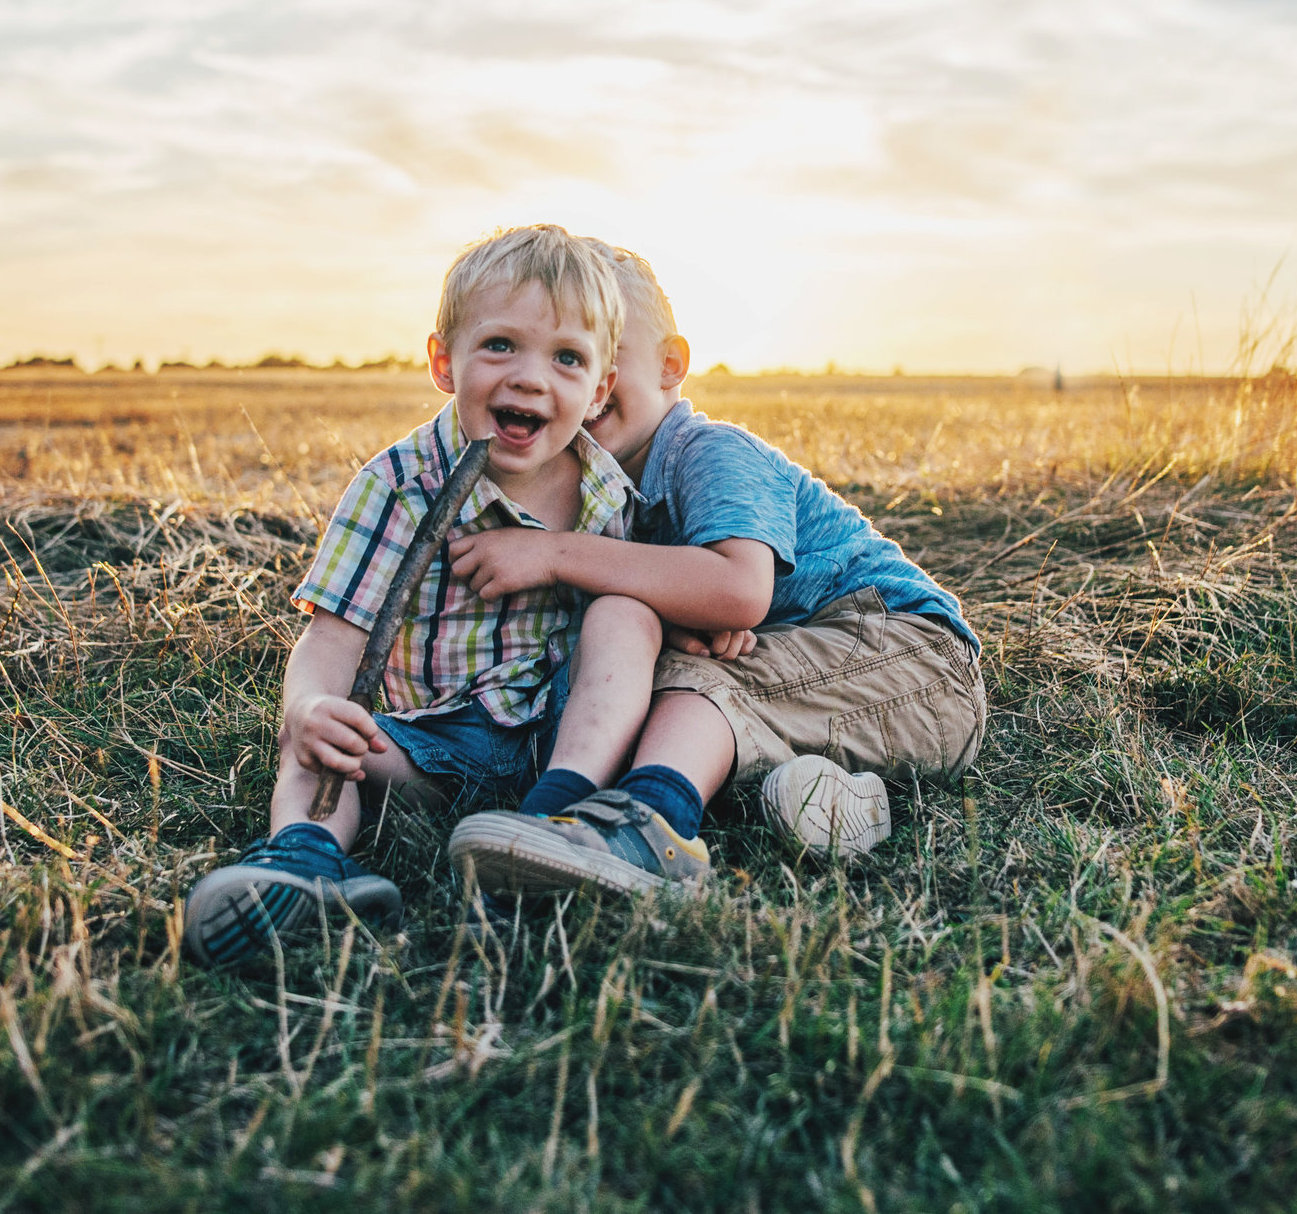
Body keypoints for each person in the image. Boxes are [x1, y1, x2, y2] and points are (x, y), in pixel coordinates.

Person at [180, 225, 689, 969]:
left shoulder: (610, 490)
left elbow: (638, 621)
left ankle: (554, 821)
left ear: (600, 387)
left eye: (567, 358)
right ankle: (305, 860)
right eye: (500, 346)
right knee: (326, 736)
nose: (529, 378)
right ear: (443, 362)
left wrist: (691, 627)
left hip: (564, 735)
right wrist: (308, 707)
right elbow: (331, 640)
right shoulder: (398, 485)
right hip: (430, 740)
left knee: (627, 609)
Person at [445, 245, 985, 895]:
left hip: (913, 659)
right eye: (571, 358)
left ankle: (647, 825)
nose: (586, 386)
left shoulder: (708, 450)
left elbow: (739, 587)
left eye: (592, 353)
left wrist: (555, 554)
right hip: (813, 683)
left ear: (670, 363)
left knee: (692, 688)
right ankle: (835, 801)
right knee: (631, 693)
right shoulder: (604, 492)